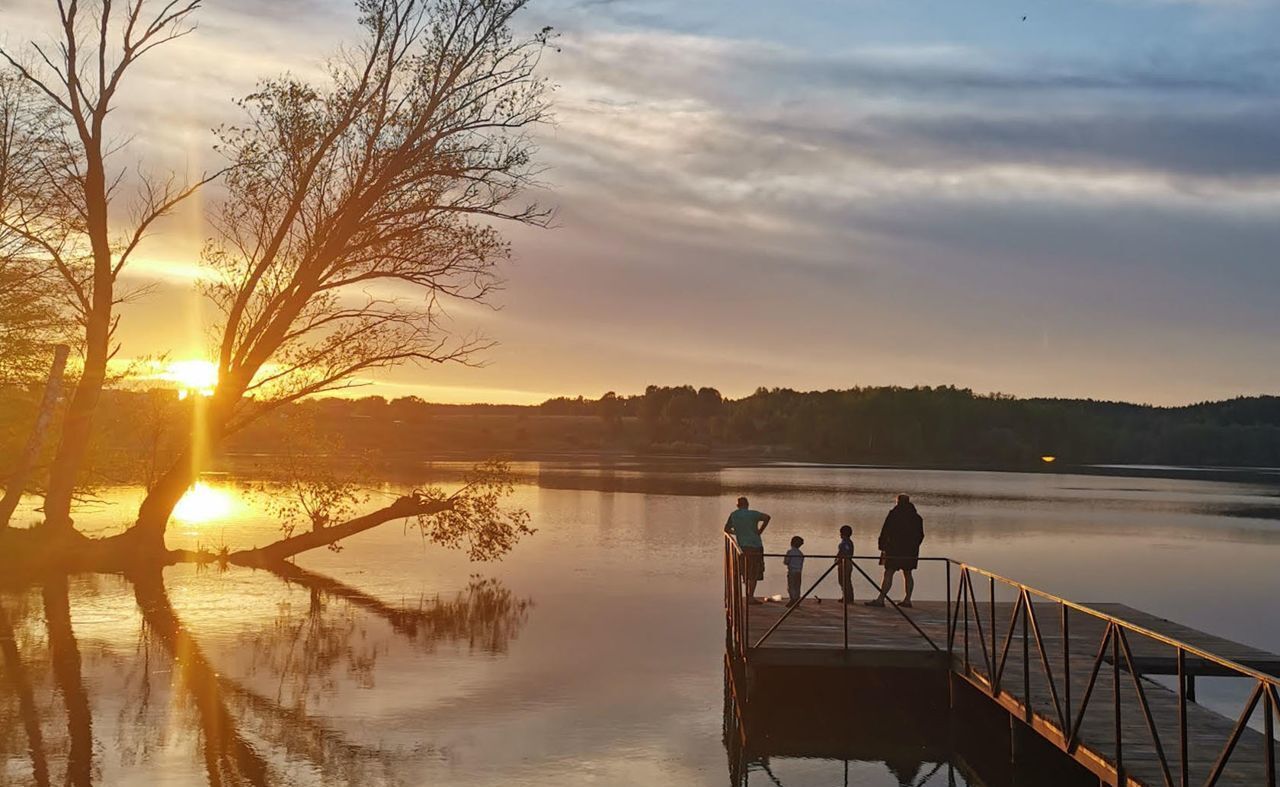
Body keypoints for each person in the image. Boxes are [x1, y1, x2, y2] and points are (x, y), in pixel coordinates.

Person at [866, 494, 924, 608]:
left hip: (893, 549)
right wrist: (914, 547)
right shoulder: (917, 517)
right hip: (910, 551)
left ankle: (881, 599)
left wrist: (882, 546)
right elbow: (920, 535)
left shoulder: (894, 515)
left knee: (889, 572)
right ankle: (907, 600)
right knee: (908, 573)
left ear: (898, 502)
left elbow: (885, 531)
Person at [724, 497, 771, 603]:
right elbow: (767, 517)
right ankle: (750, 596)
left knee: (745, 570)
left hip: (743, 547)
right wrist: (760, 530)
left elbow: (726, 529)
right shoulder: (753, 514)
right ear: (747, 504)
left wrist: (737, 533)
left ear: (737, 505)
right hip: (755, 546)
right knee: (754, 572)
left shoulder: (734, 515)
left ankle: (745, 594)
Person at [783, 536, 805, 606]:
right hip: (799, 572)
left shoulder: (790, 552)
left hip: (792, 571)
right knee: (797, 586)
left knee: (791, 586)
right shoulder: (801, 554)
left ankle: (792, 599)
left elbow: (786, 561)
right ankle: (797, 600)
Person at [836, 525, 855, 604]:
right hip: (843, 562)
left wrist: (840, 558)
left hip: (845, 563)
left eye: (841, 533)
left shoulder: (847, 542)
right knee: (842, 580)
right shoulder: (845, 542)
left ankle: (848, 597)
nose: (840, 535)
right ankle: (846, 596)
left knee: (845, 580)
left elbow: (845, 552)